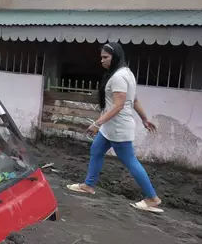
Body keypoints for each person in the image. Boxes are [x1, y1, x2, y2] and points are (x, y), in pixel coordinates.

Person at [66, 42, 163, 213]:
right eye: (101, 57)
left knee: (130, 161)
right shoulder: (127, 73)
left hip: (118, 128)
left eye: (105, 57)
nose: (102, 60)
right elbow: (134, 101)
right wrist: (144, 119)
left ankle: (152, 198)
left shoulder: (118, 77)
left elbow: (119, 106)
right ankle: (88, 185)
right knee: (96, 150)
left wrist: (97, 123)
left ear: (115, 57)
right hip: (111, 127)